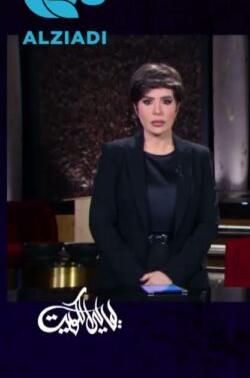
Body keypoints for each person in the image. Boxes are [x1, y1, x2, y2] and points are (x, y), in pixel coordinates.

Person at [89, 63, 219, 291]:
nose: (157, 111)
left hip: (184, 279)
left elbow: (208, 223)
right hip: (124, 280)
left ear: (177, 107)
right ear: (136, 108)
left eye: (166, 101)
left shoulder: (197, 157)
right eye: (148, 101)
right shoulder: (115, 155)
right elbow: (101, 223)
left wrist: (172, 274)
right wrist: (138, 277)